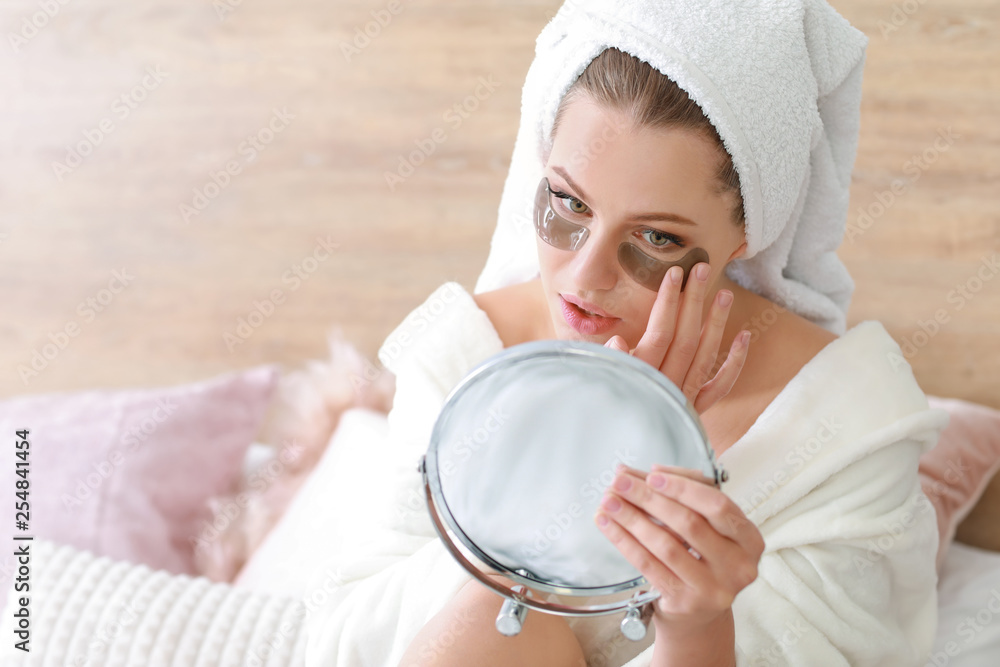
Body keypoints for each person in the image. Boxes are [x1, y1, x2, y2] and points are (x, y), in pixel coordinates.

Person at [302, 2, 948, 665]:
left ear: (748, 232)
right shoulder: (467, 356)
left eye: (657, 236)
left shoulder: (844, 424)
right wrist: (577, 454)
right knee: (502, 627)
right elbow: (348, 638)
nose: (584, 276)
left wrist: (697, 626)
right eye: (569, 202)